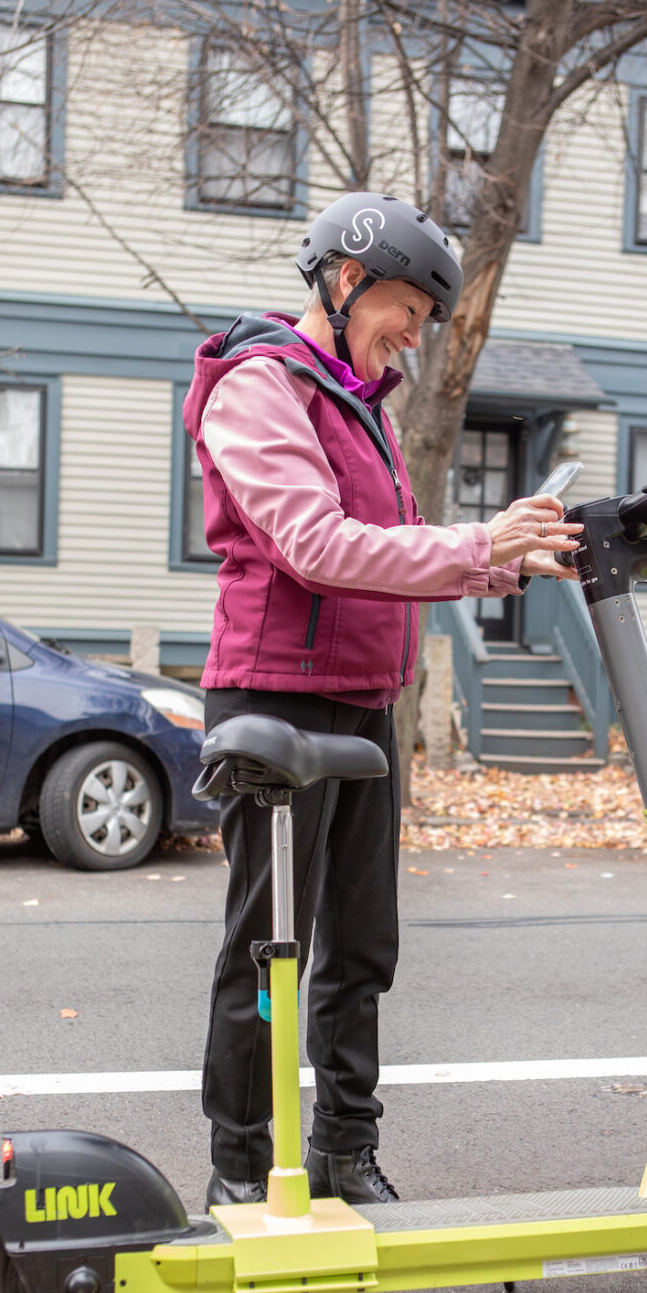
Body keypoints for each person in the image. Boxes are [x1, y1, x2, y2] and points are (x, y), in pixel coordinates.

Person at [183, 191, 581, 1210]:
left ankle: (344, 1153)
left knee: (362, 943)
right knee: (270, 945)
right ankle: (239, 1166)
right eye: (406, 306)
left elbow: (393, 562)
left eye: (425, 317)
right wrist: (472, 545)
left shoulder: (361, 402)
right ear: (345, 281)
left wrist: (510, 561)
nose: (416, 332)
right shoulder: (260, 384)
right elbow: (315, 547)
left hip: (362, 699)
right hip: (274, 697)